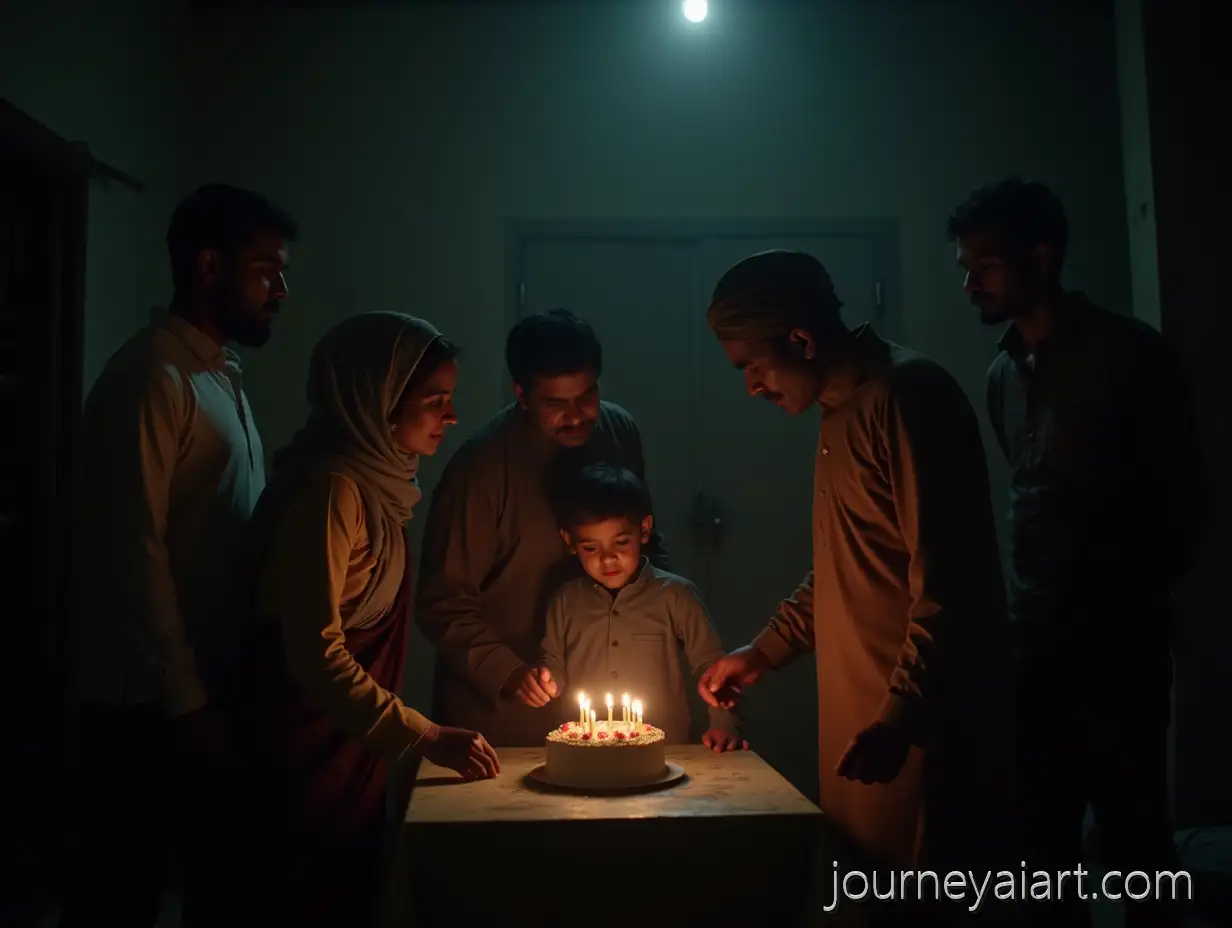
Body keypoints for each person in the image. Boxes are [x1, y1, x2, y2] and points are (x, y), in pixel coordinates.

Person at [696, 250, 1015, 906]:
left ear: (802, 340)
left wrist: (901, 716)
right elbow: (850, 566)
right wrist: (762, 651)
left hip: (918, 737)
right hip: (869, 734)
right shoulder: (839, 414)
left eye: (752, 365)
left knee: (928, 899)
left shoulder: (906, 397)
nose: (752, 387)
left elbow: (950, 584)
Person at [949, 177, 1211, 928]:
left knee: (1135, 843)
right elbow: (1029, 503)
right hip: (1034, 651)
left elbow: (1186, 503)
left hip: (1118, 646)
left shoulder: (1129, 355)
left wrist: (1127, 606)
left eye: (986, 265)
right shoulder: (1002, 373)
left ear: (1042, 257)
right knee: (1040, 848)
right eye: (964, 267)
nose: (971, 282)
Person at [62, 183, 296, 928]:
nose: (280, 291)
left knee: (218, 884)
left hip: (204, 687)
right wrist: (187, 701)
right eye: (265, 271)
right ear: (206, 268)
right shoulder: (152, 379)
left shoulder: (214, 376)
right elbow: (136, 553)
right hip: (145, 703)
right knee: (120, 892)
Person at [224, 312, 500, 927]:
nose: (450, 418)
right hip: (299, 751)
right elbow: (315, 653)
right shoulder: (331, 493)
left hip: (348, 745)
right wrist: (427, 735)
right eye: (434, 401)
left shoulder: (379, 487)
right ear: (375, 401)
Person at [417, 308, 669, 746]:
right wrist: (508, 671)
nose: (576, 416)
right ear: (522, 393)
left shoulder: (617, 432)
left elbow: (648, 542)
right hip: (506, 715)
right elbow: (442, 600)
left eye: (586, 396)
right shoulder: (480, 471)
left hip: (601, 701)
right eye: (556, 403)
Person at [531, 462, 745, 750]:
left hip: (662, 750)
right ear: (570, 541)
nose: (607, 559)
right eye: (591, 548)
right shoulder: (565, 601)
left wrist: (724, 724)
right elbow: (553, 662)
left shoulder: (676, 595)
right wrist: (547, 680)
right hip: (585, 752)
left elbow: (712, 667)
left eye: (620, 543)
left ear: (644, 530)